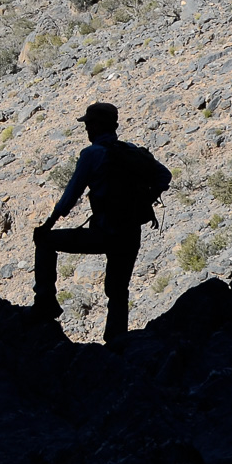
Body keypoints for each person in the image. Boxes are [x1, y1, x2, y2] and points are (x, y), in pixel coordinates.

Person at [32, 102, 172, 341]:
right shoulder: (131, 151)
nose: (86, 129)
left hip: (105, 233)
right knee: (118, 290)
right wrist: (141, 202)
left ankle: (45, 302)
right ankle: (116, 341)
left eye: (88, 124)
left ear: (97, 126)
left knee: (46, 242)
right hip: (130, 233)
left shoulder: (92, 154)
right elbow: (164, 175)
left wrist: (47, 225)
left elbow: (70, 195)